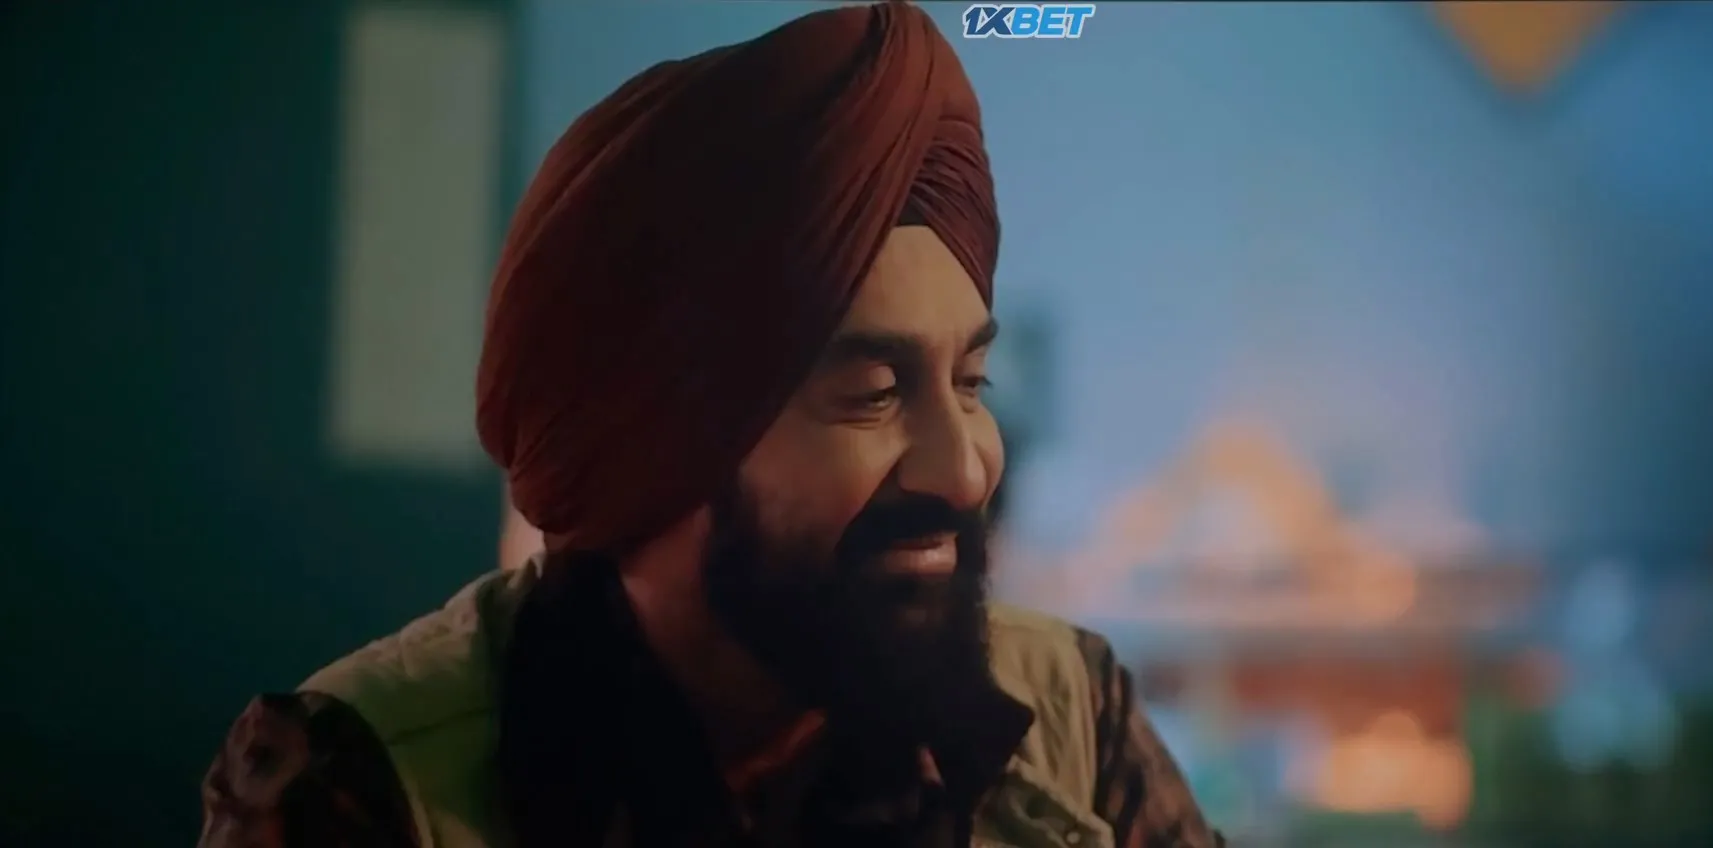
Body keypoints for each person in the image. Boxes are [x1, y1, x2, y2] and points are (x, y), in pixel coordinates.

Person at [197, 4, 1219, 846]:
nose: (965, 470)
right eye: (872, 392)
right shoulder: (362, 780)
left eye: (971, 382)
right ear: (664, 442)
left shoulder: (1071, 713)